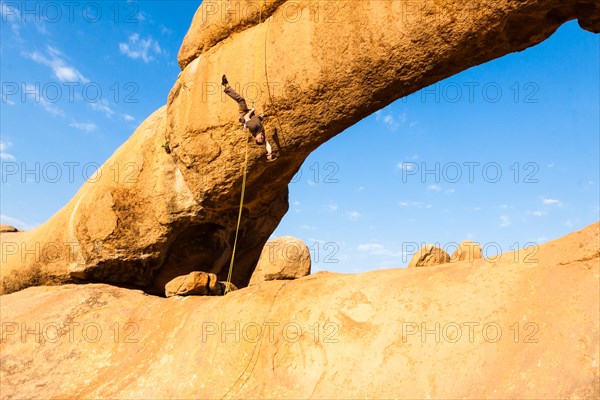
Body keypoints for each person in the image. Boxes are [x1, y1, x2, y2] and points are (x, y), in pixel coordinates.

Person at [222, 74, 274, 161]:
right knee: (259, 117)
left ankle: (226, 86)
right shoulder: (261, 135)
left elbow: (246, 117)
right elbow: (267, 144)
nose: (262, 137)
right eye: (262, 138)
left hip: (245, 114)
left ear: (255, 138)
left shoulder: (253, 128)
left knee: (241, 100)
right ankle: (261, 116)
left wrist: (251, 110)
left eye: (259, 138)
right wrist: (270, 153)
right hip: (254, 118)